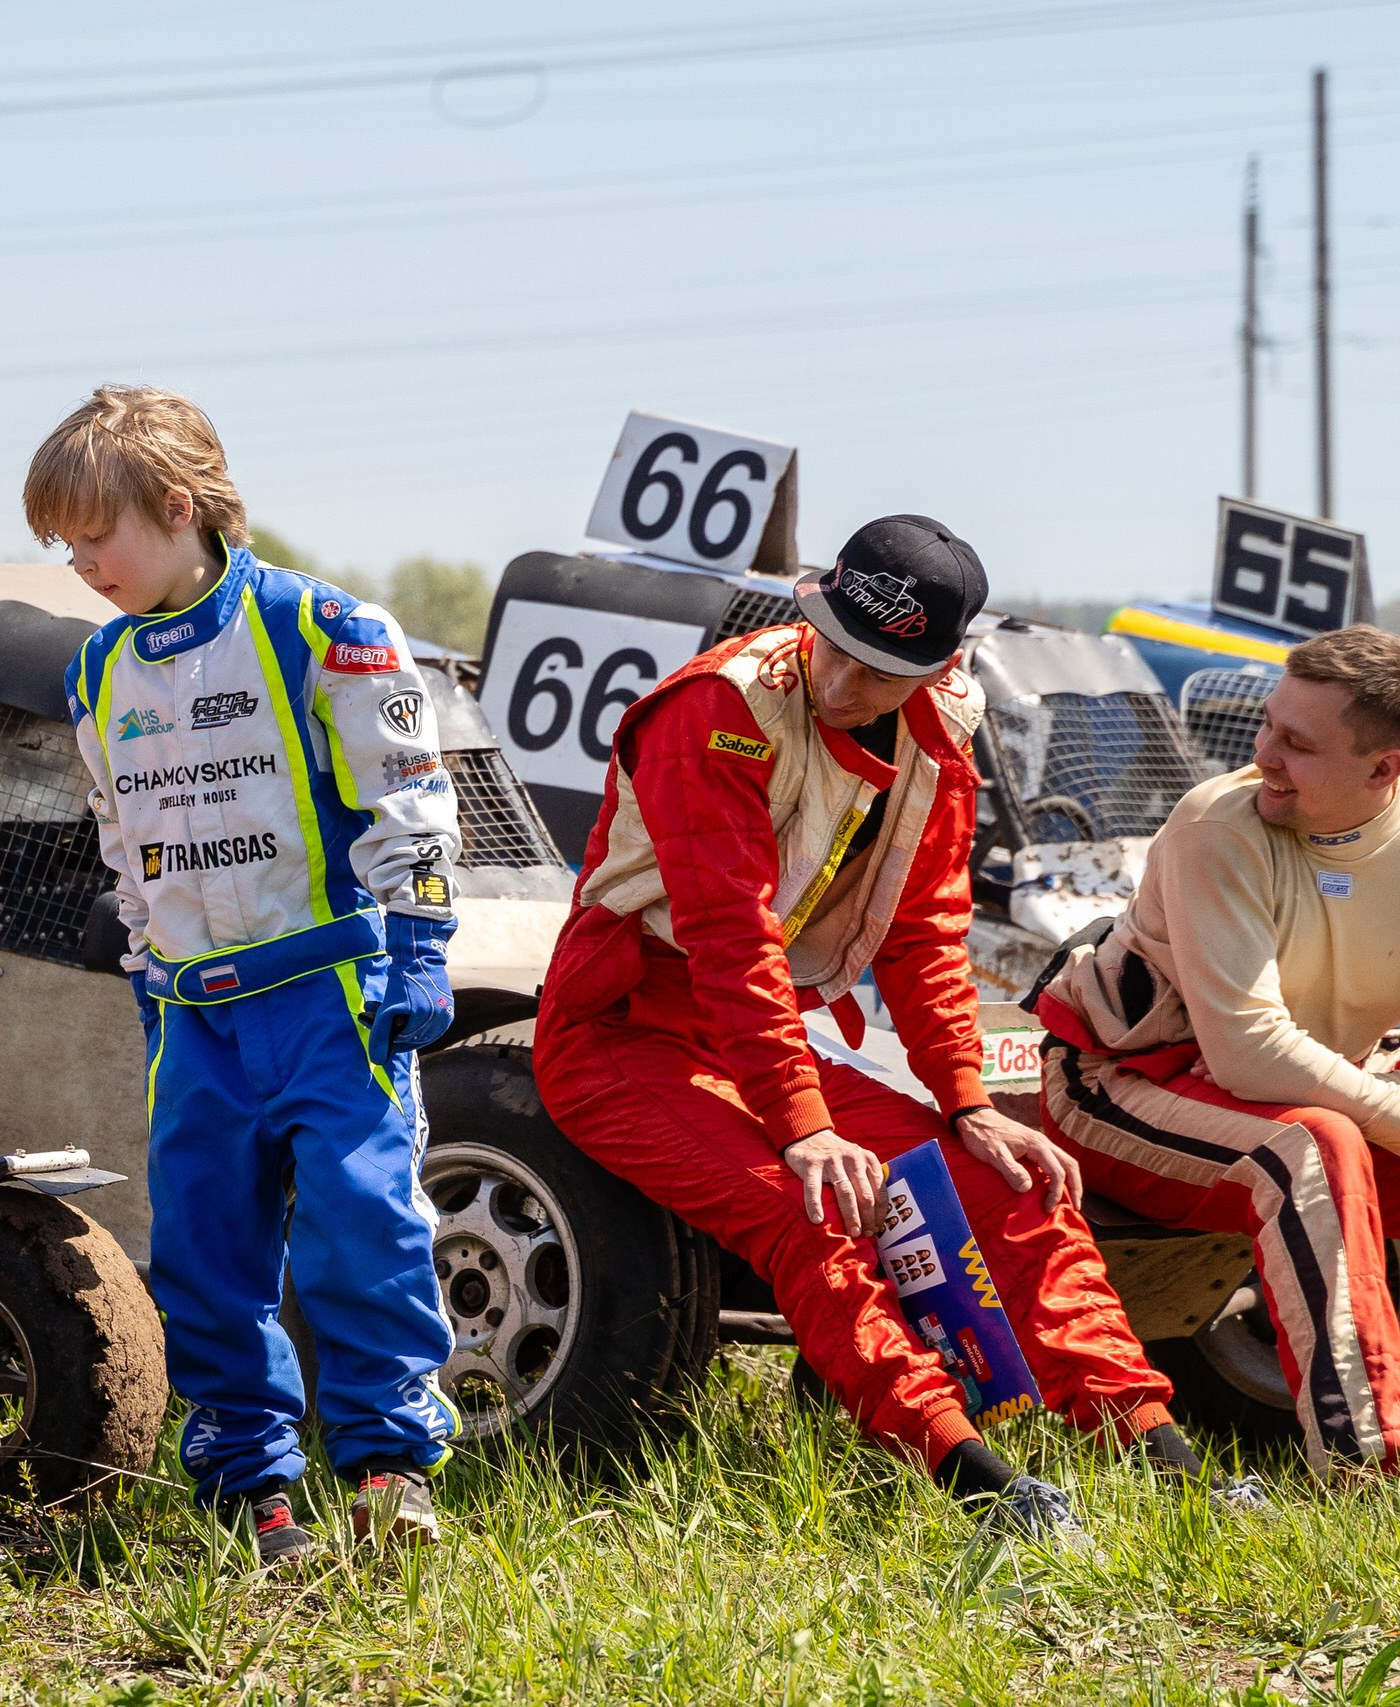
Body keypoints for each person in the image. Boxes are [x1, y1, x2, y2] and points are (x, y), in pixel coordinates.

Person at [532, 516, 1219, 1540]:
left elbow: (927, 933)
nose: (847, 688)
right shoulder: (718, 707)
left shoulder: (945, 720)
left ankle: (1157, 1453)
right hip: (621, 1034)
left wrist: (969, 1102)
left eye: (884, 671)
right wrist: (805, 1126)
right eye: (838, 649)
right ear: (815, 605)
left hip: (754, 1039)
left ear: (942, 664)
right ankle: (972, 1478)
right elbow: (730, 939)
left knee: (1005, 1179)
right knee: (810, 1211)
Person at [31, 386, 461, 1563]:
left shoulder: (326, 625)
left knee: (361, 1232)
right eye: (61, 545)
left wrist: (418, 945)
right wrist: (142, 971)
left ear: (177, 506)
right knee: (206, 1255)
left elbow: (412, 796)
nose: (80, 564)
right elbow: (121, 842)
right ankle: (251, 1496)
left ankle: (386, 1476)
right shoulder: (95, 672)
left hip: (328, 996)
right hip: (194, 1016)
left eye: (94, 535)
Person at [1034, 624, 1400, 1476]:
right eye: (1268, 725)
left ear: (1384, 769)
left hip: (1283, 1085)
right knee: (1312, 1147)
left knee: (1333, 1132)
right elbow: (1246, 1053)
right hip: (1119, 1082)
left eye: (1298, 744)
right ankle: (1368, 1462)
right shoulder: (1219, 823)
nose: (1265, 754)